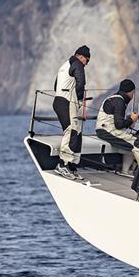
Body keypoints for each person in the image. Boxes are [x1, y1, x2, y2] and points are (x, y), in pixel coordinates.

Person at [53, 45, 90, 179]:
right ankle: (62, 165)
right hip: (68, 102)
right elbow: (81, 84)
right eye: (87, 60)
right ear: (81, 57)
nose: (86, 64)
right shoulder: (77, 64)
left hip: (59, 100)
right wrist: (79, 101)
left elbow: (55, 85)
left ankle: (72, 166)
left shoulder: (63, 66)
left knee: (77, 132)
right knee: (71, 131)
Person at [95, 79, 139, 167]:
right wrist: (131, 119)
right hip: (107, 132)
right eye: (133, 93)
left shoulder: (114, 98)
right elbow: (119, 124)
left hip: (104, 130)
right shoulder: (119, 101)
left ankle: (126, 170)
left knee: (132, 143)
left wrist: (128, 120)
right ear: (131, 92)